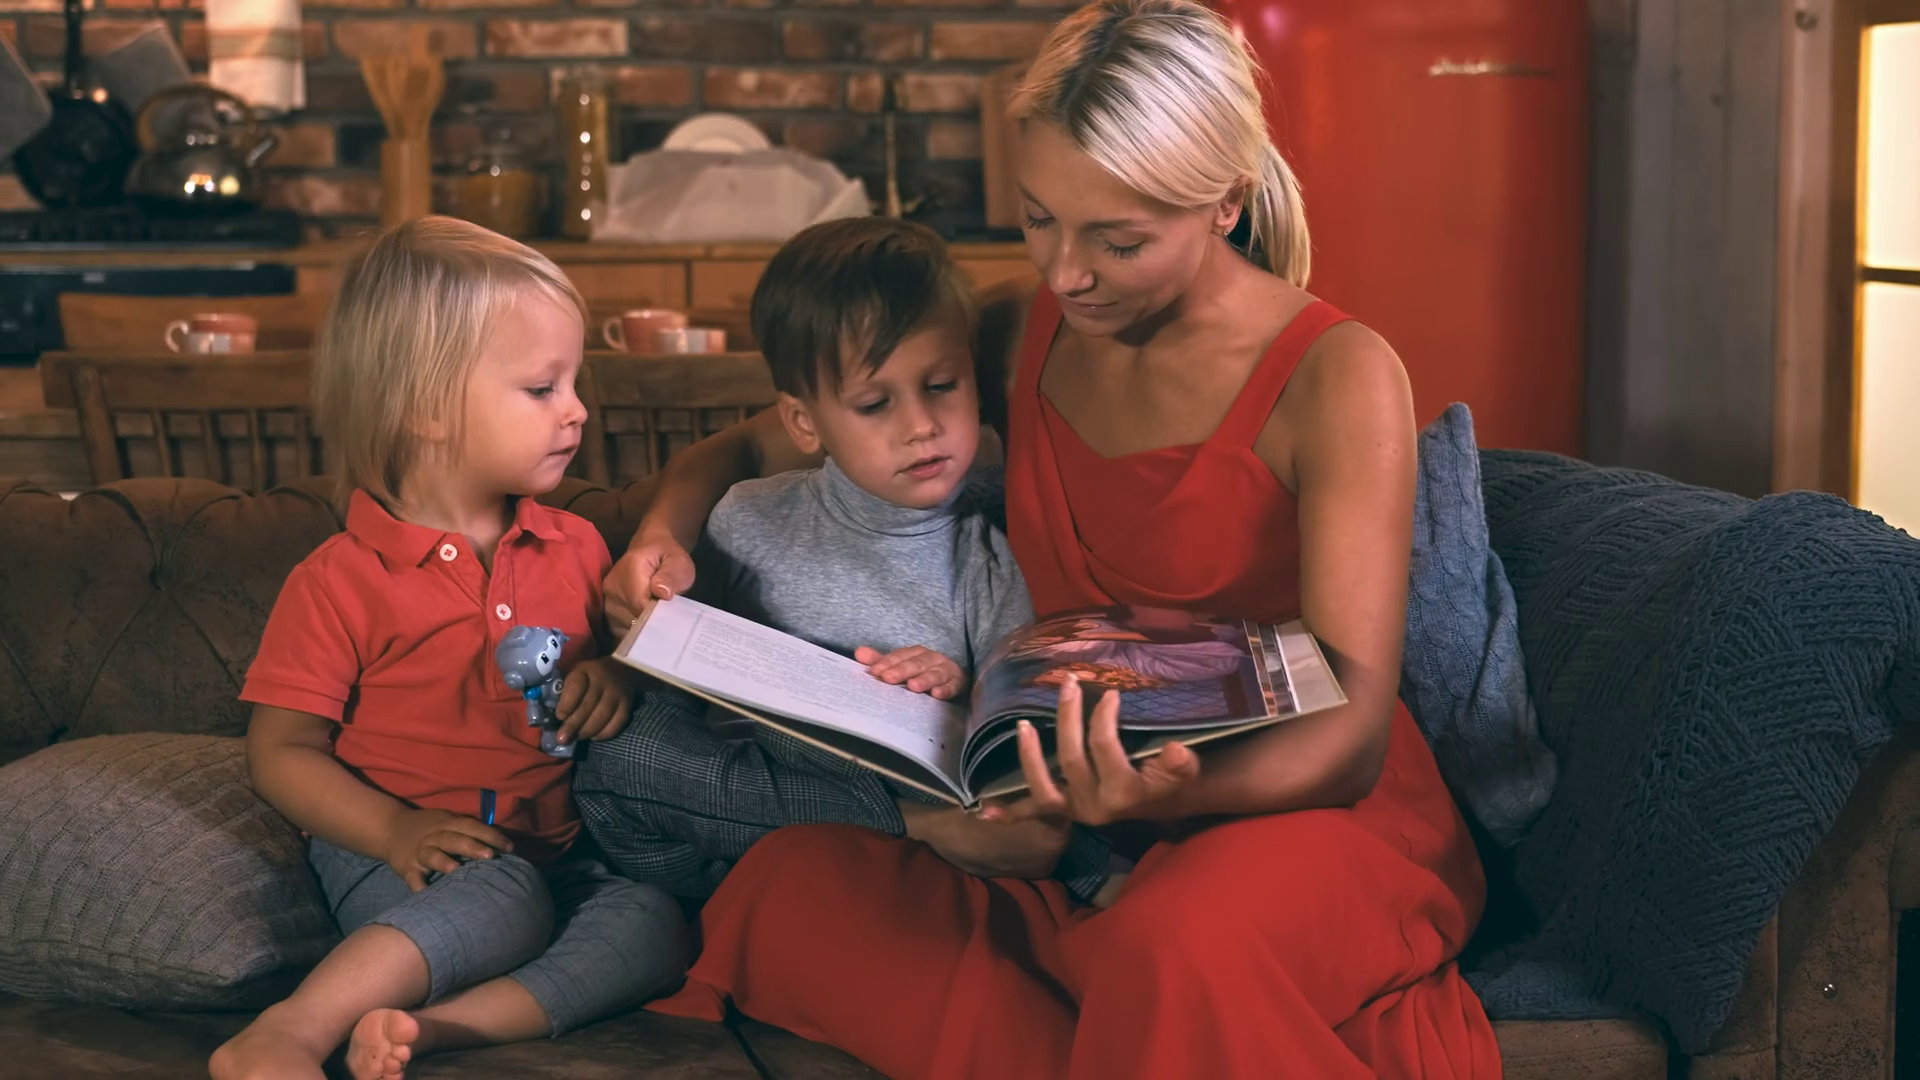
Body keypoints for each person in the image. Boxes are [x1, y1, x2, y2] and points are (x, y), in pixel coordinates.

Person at [602, 1, 1500, 1076]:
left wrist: (1156, 795)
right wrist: (659, 537)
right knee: (794, 888)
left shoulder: (1339, 374)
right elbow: (756, 444)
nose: (1068, 273)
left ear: (1224, 200)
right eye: (1038, 221)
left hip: (1302, 807)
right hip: (1073, 815)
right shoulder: (1015, 330)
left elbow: (1349, 735)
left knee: (1172, 950)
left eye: (1118, 241)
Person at [211, 218, 689, 1080]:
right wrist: (394, 830)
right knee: (506, 897)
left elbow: (620, 673)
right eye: (541, 387)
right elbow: (279, 751)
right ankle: (290, 1032)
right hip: (399, 857)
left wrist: (613, 676)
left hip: (557, 853)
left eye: (573, 382)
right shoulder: (340, 580)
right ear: (425, 409)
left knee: (654, 921)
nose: (577, 409)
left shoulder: (577, 546)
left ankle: (431, 1030)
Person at [572, 216, 1117, 905]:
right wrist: (621, 675)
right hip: (749, 821)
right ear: (804, 423)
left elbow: (1008, 735)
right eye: (875, 403)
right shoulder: (747, 519)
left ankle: (974, 844)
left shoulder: (987, 554)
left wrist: (954, 685)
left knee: (1024, 804)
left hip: (900, 844)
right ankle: (920, 827)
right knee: (625, 752)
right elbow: (679, 672)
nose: (920, 425)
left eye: (942, 385)